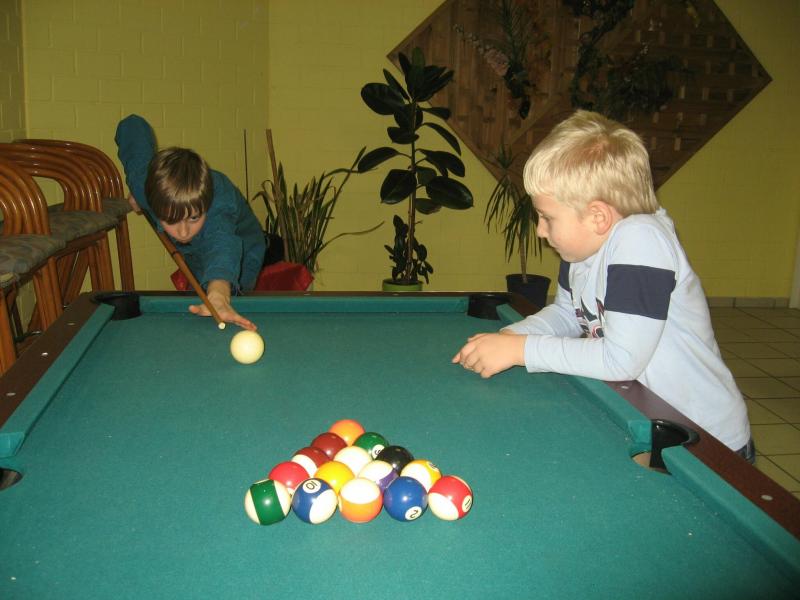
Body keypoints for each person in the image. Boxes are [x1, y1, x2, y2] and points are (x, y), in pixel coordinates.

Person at [452, 110, 754, 461]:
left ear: (597, 217)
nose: (540, 230)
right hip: (651, 417)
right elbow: (568, 314)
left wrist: (522, 351)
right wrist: (513, 336)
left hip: (705, 436)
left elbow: (620, 360)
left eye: (547, 217)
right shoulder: (583, 248)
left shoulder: (642, 239)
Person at [116, 114, 266, 330]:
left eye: (193, 217)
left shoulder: (218, 205)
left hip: (243, 250)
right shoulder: (143, 184)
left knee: (219, 298)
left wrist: (219, 294)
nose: (184, 232)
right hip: (195, 251)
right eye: (172, 220)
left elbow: (222, 244)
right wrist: (139, 194)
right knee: (199, 291)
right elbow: (132, 125)